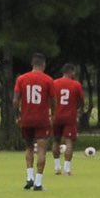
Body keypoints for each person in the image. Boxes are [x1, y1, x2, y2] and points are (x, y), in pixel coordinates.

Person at [14, 54, 56, 191]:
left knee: (29, 147)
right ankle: (38, 183)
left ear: (32, 64)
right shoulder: (48, 80)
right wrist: (53, 114)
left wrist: (17, 115)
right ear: (43, 65)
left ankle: (29, 177)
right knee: (42, 149)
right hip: (42, 119)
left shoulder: (21, 79)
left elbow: (15, 100)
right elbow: (53, 100)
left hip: (26, 118)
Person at [50, 68, 85, 176]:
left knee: (56, 140)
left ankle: (57, 167)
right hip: (70, 117)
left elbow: (50, 98)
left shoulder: (54, 83)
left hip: (56, 116)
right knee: (69, 141)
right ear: (71, 72)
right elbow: (82, 100)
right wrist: (79, 110)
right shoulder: (76, 85)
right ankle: (67, 168)